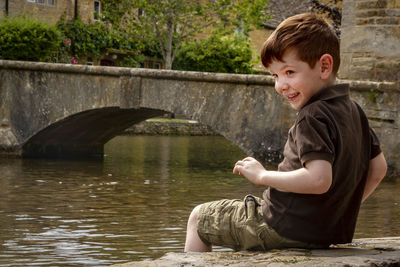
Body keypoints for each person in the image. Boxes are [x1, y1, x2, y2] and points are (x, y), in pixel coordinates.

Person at [184, 13, 387, 252]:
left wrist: (262, 176)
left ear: (324, 66)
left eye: (289, 72)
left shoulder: (312, 115)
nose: (280, 85)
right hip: (328, 231)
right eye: (275, 75)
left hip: (282, 227)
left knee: (199, 218)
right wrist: (337, 211)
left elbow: (319, 180)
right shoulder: (354, 111)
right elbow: (379, 168)